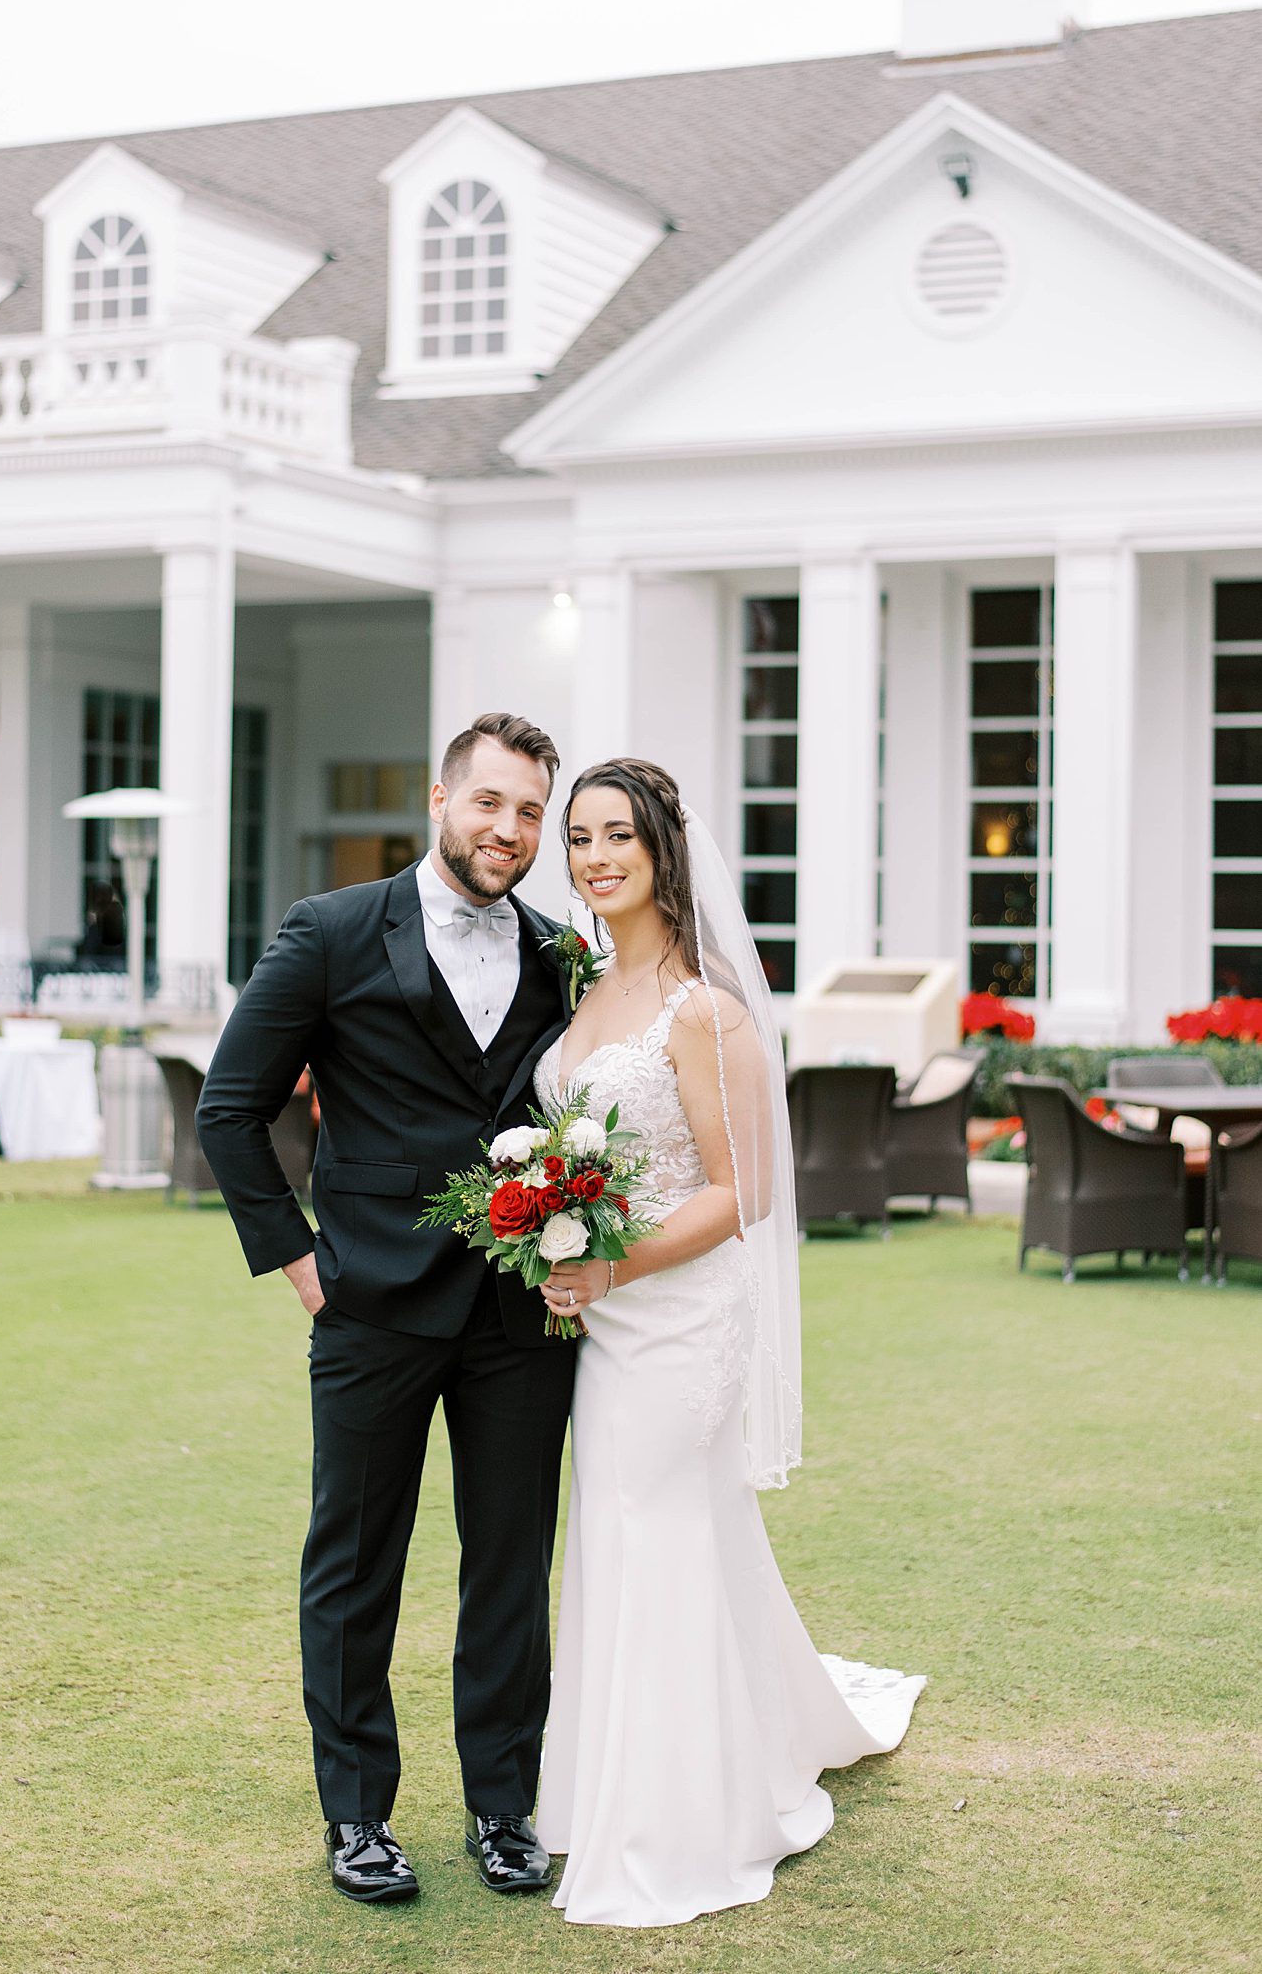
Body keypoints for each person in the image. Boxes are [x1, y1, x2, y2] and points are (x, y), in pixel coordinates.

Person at [531, 757, 925, 1927]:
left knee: (649, 1527)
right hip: (606, 1321)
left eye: (619, 838)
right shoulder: (587, 990)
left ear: (664, 852)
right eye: (582, 838)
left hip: (680, 1317)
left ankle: (673, 1823)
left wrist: (612, 1260)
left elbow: (744, 1190)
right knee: (626, 1531)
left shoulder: (705, 1009)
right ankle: (626, 1782)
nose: (597, 858)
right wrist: (556, 1237)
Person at [196, 713, 574, 1906]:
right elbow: (230, 1108)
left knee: (510, 1568)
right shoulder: (331, 931)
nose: (508, 831)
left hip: (524, 1313)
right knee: (356, 1565)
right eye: (491, 804)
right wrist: (301, 1263)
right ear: (440, 800)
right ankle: (357, 1816)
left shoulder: (568, 953)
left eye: (529, 813)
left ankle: (504, 1808)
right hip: (369, 1303)